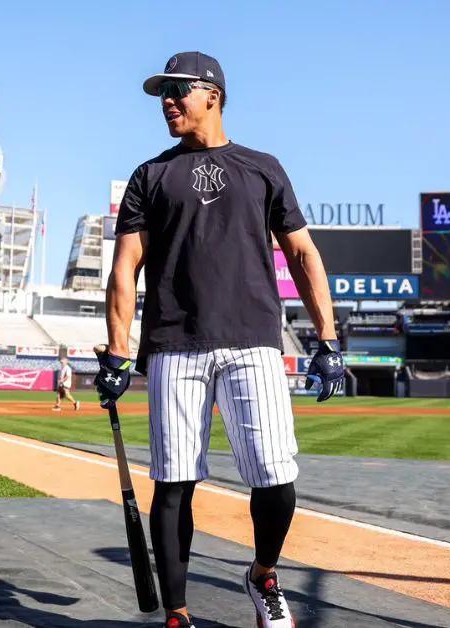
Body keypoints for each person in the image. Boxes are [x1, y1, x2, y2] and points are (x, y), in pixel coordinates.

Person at [94, 51, 344, 628]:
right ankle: (178, 614)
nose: (167, 101)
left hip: (254, 340)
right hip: (175, 344)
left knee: (276, 480)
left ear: (213, 94)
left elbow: (303, 254)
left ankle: (262, 573)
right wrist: (116, 348)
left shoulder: (263, 168)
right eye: (163, 92)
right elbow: (124, 266)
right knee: (174, 484)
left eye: (178, 90)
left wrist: (327, 341)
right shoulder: (150, 175)